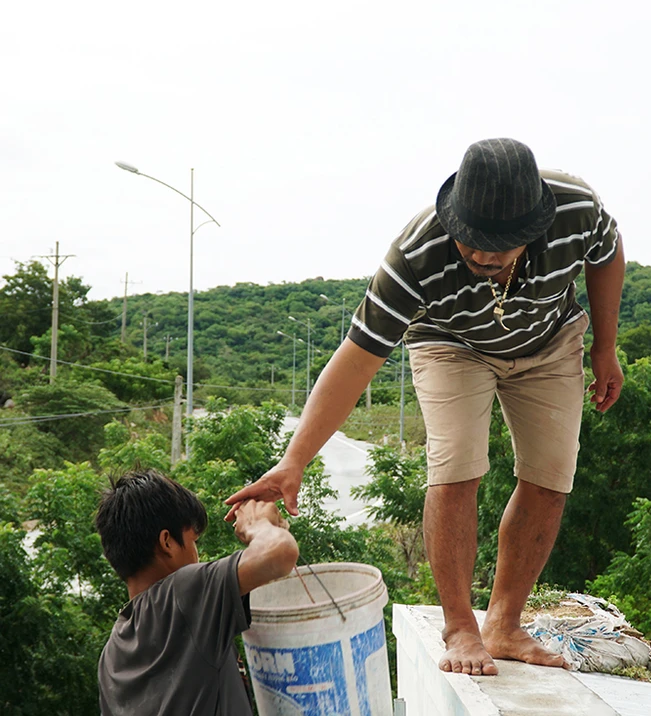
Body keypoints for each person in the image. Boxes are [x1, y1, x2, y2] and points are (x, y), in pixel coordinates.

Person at [225, 137, 625, 676]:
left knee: (551, 476)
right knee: (457, 466)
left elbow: (607, 256)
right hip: (450, 343)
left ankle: (503, 625)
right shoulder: (416, 253)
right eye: (471, 241)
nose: (482, 255)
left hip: (548, 339)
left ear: (534, 228)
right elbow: (356, 359)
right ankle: (461, 626)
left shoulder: (578, 208)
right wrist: (295, 460)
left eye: (498, 246)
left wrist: (605, 346)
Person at [96, 468, 299, 716]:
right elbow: (280, 553)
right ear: (167, 542)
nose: (197, 555)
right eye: (193, 541)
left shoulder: (112, 655)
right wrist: (257, 526)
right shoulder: (182, 594)